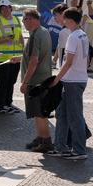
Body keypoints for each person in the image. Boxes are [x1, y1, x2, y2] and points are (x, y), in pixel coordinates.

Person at [48, 8, 90, 160]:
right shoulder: (83, 34)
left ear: (70, 21)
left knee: (74, 116)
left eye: (65, 20)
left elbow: (68, 62)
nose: (63, 22)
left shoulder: (72, 37)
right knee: (62, 114)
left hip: (72, 81)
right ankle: (60, 146)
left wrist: (56, 79)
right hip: (76, 79)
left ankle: (79, 150)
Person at [20, 9, 54, 153]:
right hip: (45, 78)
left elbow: (34, 60)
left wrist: (25, 82)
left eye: (24, 20)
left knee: (39, 114)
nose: (23, 23)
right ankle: (40, 138)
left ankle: (45, 142)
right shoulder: (44, 31)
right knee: (39, 112)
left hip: (35, 81)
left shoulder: (35, 36)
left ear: (31, 19)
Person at [0, 0, 24, 114]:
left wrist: (23, 50)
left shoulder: (16, 20)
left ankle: (9, 103)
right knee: (3, 82)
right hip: (3, 58)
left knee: (12, 81)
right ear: (0, 11)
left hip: (16, 57)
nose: (5, 10)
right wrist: (5, 39)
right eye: (2, 8)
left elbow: (20, 36)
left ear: (11, 8)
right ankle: (1, 106)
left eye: (7, 7)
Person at [51, 3, 70, 68]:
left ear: (63, 14)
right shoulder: (73, 29)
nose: (54, 17)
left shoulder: (64, 32)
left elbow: (64, 53)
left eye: (56, 15)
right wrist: (54, 60)